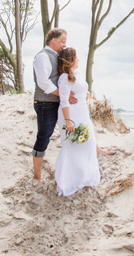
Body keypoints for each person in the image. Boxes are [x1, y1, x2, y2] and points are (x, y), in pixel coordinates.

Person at [54, 47, 101, 196]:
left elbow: (81, 87)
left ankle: (84, 177)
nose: (79, 59)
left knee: (87, 144)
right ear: (70, 60)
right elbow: (64, 101)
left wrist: (85, 92)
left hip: (82, 113)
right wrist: (68, 122)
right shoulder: (64, 78)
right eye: (76, 57)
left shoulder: (77, 74)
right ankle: (68, 180)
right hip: (70, 115)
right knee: (72, 146)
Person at [31, 28, 75, 182]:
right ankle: (37, 175)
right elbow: (43, 82)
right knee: (44, 137)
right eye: (62, 41)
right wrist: (63, 95)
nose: (64, 45)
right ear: (53, 40)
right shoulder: (42, 57)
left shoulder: (57, 56)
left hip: (58, 103)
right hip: (45, 104)